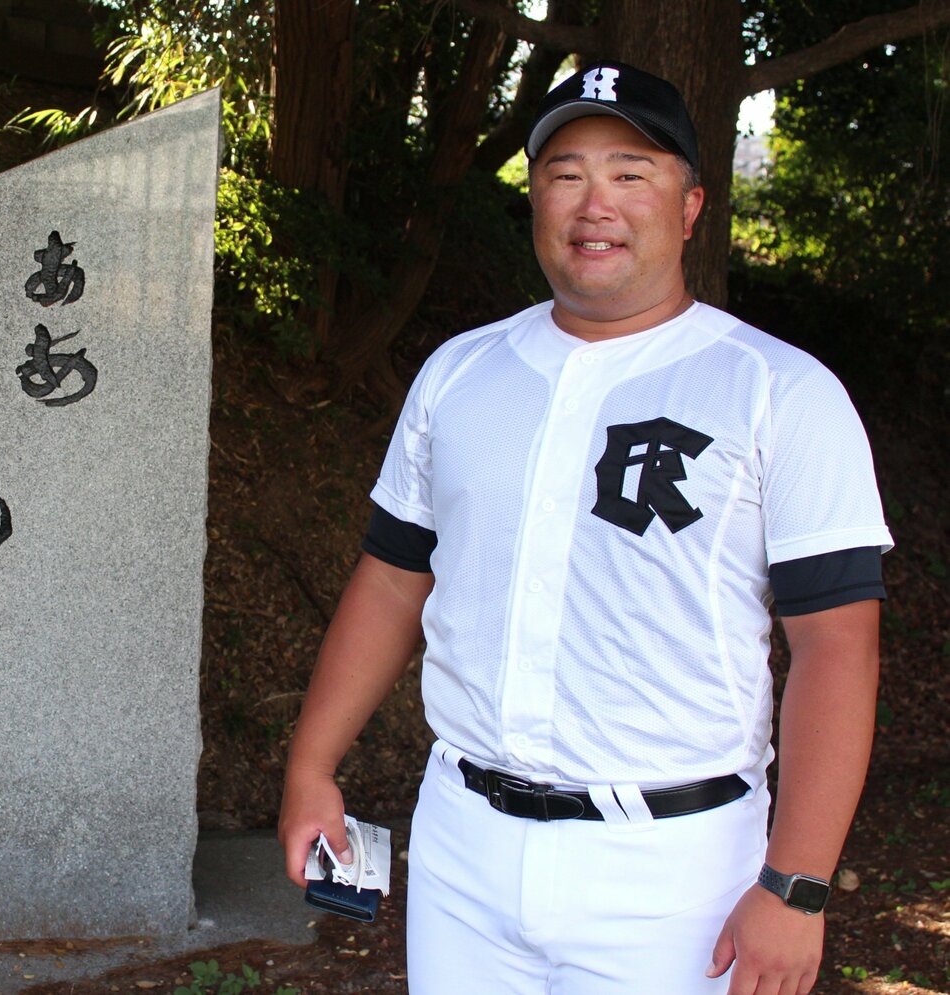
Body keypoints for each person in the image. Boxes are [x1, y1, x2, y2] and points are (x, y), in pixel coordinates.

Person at [277, 61, 892, 995]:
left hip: (673, 870)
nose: (593, 202)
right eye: (565, 175)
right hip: (463, 844)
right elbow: (395, 576)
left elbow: (837, 648)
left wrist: (796, 884)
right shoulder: (460, 372)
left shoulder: (779, 390)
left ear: (690, 205)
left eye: (630, 173)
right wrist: (313, 764)